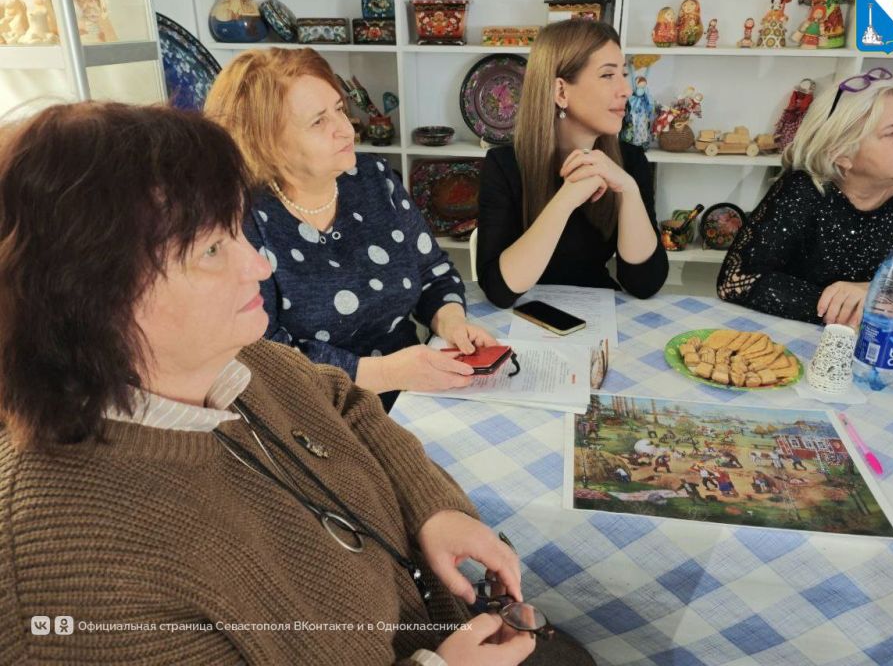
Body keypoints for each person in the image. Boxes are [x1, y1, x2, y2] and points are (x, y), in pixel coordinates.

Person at [0, 102, 594, 665]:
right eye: (212, 248)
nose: (259, 265)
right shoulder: (65, 577)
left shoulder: (247, 363)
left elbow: (347, 403)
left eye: (236, 231)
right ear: (89, 295)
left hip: (444, 619)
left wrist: (432, 509)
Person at [205, 48, 495, 410]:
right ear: (266, 143)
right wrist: (387, 373)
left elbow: (432, 272)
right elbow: (263, 356)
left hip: (416, 389)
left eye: (340, 109)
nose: (346, 129)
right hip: (319, 412)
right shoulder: (244, 221)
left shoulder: (372, 178)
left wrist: (452, 323)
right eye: (318, 122)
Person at [718, 68, 893, 350]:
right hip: (807, 347)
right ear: (841, 154)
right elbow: (737, 279)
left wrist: (879, 295)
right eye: (892, 132)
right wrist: (857, 311)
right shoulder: (805, 188)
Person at [476, 19, 668, 308]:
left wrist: (628, 190)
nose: (626, 90)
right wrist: (566, 199)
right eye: (607, 75)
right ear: (561, 92)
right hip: (522, 316)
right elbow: (499, 291)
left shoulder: (630, 161)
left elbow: (645, 284)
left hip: (602, 315)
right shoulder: (505, 166)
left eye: (624, 74)